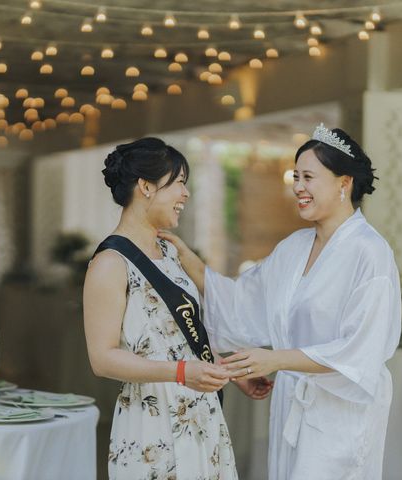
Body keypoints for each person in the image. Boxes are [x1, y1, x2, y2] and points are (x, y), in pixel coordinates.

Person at [160, 124, 402, 479]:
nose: (298, 187)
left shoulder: (370, 253)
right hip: (291, 402)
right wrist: (185, 257)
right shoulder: (294, 246)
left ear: (343, 183)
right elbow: (241, 301)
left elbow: (361, 349)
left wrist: (275, 359)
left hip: (341, 414)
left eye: (308, 177)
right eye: (296, 176)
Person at [83, 137, 239, 479]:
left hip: (200, 412)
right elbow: (102, 358)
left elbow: (178, 338)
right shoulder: (110, 263)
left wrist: (226, 371)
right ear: (146, 186)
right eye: (179, 183)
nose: (185, 195)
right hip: (151, 420)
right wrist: (182, 372)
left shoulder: (170, 254)